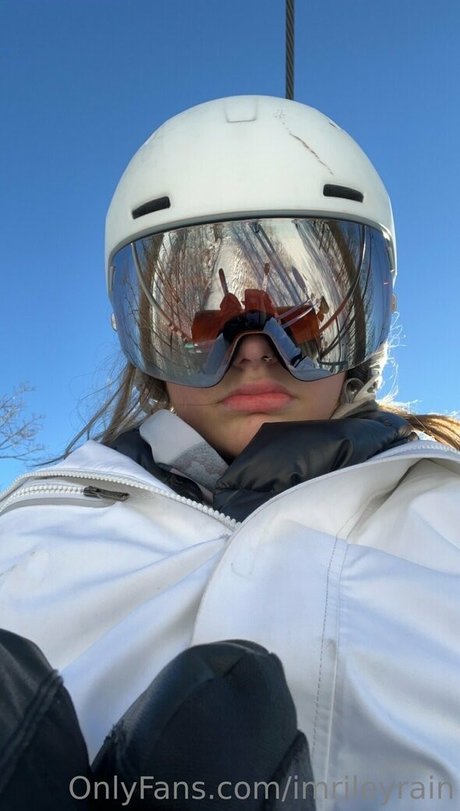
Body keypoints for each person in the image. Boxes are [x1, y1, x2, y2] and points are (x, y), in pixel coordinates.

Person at [1, 95, 460, 810]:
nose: (251, 350)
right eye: (200, 320)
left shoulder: (446, 518)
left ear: (365, 324)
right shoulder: (26, 539)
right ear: (143, 342)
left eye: (301, 314)